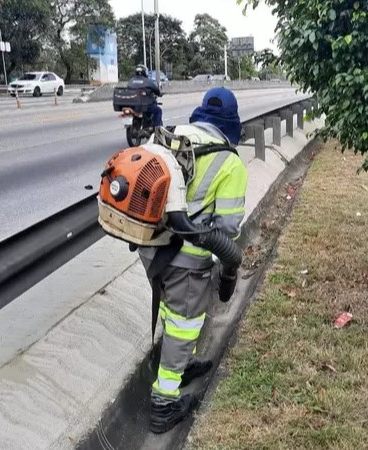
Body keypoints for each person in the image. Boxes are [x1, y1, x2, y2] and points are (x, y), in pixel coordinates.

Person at [138, 87, 248, 434]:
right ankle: (164, 403)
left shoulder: (171, 136)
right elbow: (227, 228)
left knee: (172, 310)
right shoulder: (229, 162)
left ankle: (179, 365)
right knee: (185, 325)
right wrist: (224, 264)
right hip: (187, 259)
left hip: (150, 247)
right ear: (231, 124)